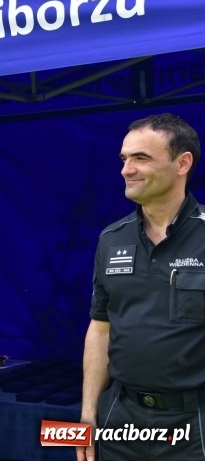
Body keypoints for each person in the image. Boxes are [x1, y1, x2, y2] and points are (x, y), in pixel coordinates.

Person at [79, 113, 205, 461]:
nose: (126, 169)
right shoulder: (110, 239)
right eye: (124, 159)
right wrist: (88, 414)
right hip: (121, 418)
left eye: (141, 158)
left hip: (194, 423)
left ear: (183, 163)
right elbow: (101, 328)